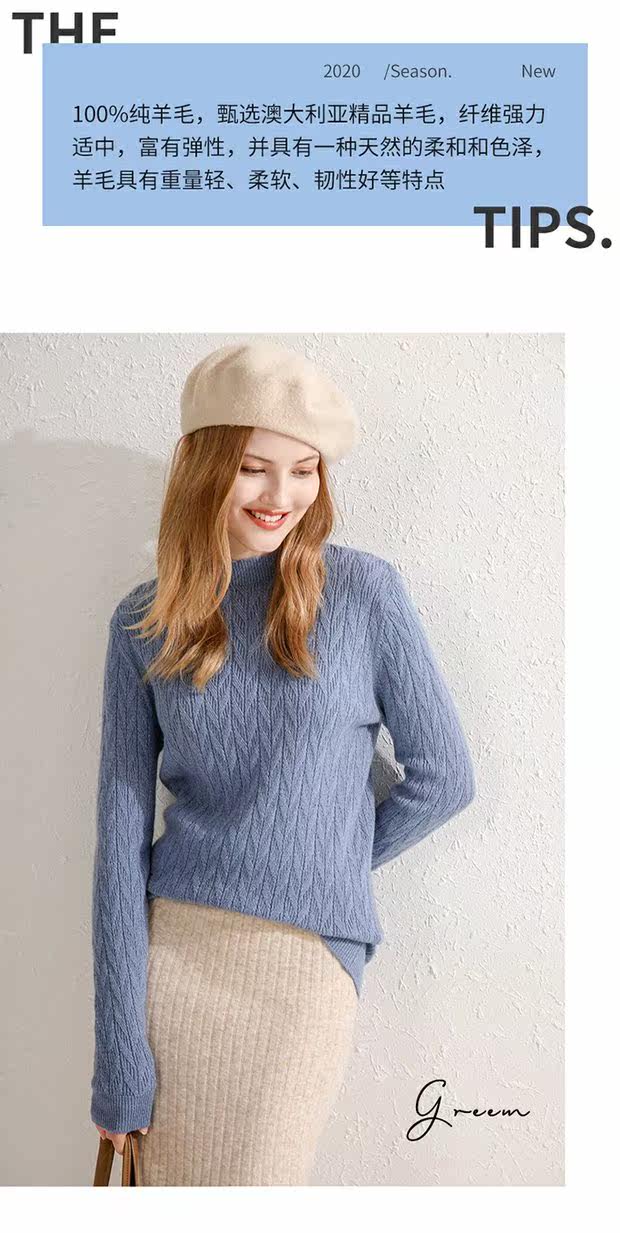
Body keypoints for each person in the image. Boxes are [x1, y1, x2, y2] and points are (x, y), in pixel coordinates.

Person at [90, 340, 476, 1185]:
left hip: (303, 969)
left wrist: (315, 861)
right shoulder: (142, 622)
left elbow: (444, 777)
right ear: (203, 469)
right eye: (254, 468)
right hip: (174, 957)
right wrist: (118, 1053)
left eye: (304, 471)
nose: (282, 496)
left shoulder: (364, 592)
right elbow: (119, 846)